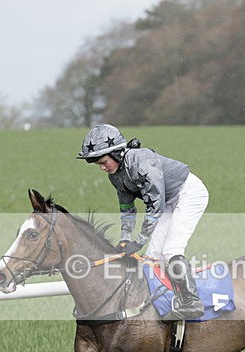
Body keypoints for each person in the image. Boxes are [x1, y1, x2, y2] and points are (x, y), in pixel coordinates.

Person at [76, 124, 209, 321]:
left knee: (171, 250)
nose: (103, 168)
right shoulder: (115, 177)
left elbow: (155, 204)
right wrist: (124, 239)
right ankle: (167, 301)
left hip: (188, 193)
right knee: (152, 256)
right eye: (99, 165)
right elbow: (127, 210)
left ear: (117, 154)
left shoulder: (141, 160)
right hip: (167, 202)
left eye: (103, 162)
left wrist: (137, 242)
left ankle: (192, 301)